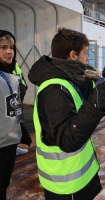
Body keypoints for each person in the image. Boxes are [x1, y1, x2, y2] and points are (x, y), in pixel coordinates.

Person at [28, 27, 105, 200]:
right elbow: (67, 139)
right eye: (85, 53)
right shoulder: (54, 89)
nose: (88, 58)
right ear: (72, 55)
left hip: (75, 179)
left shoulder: (69, 79)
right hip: (66, 184)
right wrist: (95, 104)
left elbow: (86, 85)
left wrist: (100, 78)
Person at [0, 30, 32, 199]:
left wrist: (21, 130)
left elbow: (15, 108)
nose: (9, 51)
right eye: (3, 47)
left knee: (4, 184)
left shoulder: (12, 76)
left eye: (11, 47)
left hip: (10, 143)